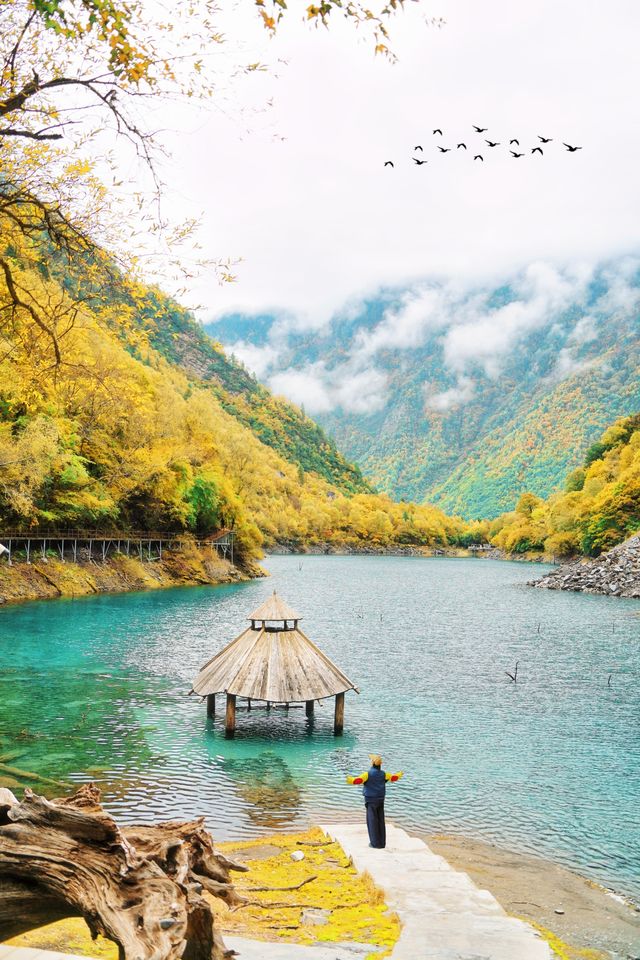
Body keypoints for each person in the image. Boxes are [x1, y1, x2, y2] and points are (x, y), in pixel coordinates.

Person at [346, 754, 403, 849]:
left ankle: (375, 843)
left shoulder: (367, 774)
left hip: (371, 800)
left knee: (372, 821)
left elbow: (358, 780)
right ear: (380, 764)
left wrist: (349, 779)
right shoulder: (384, 774)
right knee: (380, 820)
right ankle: (382, 843)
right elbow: (393, 778)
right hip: (381, 799)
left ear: (372, 763)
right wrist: (399, 774)